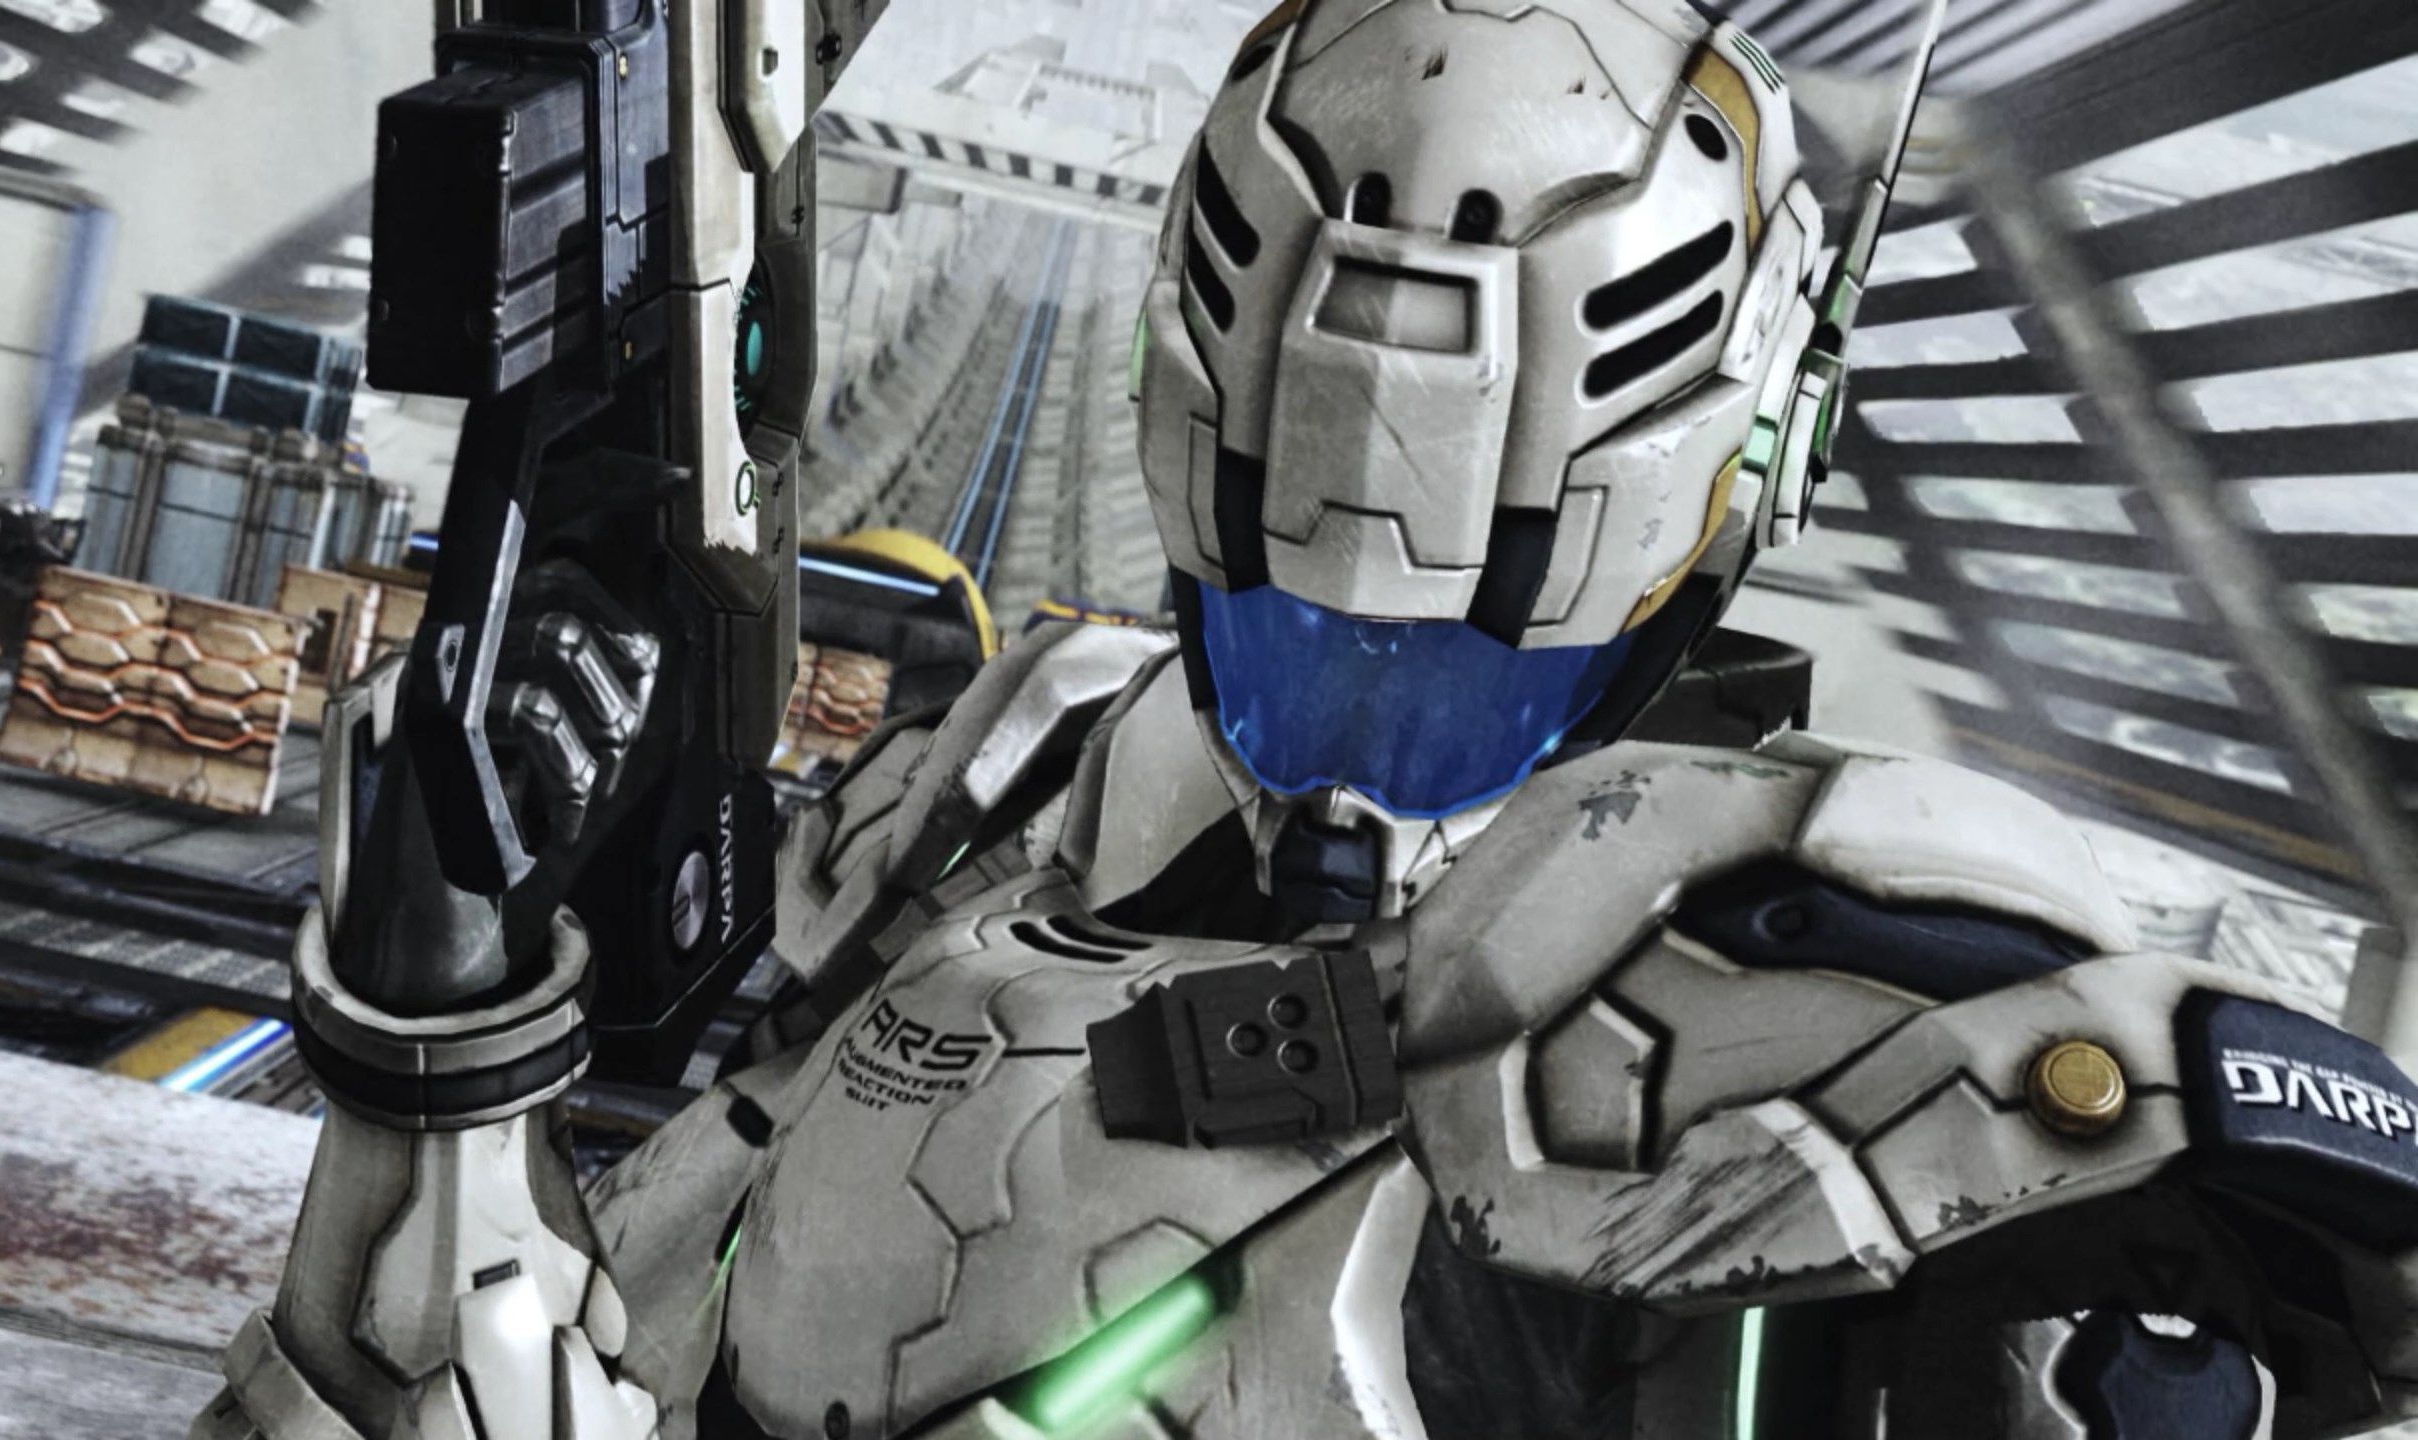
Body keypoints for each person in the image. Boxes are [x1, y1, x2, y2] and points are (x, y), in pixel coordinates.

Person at [197, 1, 2418, 1436]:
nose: (1355, 734)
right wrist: (439, 1027)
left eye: (1472, 676)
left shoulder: (1829, 951)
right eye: (1285, 628)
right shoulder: (1020, 772)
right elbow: (575, 1347)